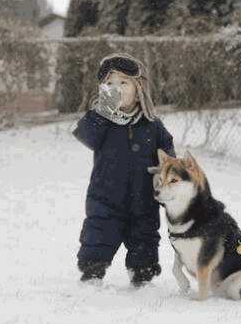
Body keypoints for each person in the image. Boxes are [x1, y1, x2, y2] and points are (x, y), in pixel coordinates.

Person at [72, 53, 175, 286]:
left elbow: (168, 156)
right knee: (98, 237)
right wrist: (103, 112)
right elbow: (86, 136)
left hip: (144, 198)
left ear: (138, 88)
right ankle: (92, 276)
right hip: (105, 196)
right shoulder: (101, 121)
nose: (115, 88)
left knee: (144, 240)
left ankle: (142, 278)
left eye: (123, 82)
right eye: (109, 83)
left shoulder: (152, 125)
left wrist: (165, 176)